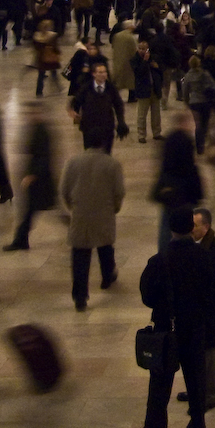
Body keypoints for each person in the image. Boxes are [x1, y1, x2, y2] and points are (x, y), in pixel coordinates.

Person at [123, 206, 213, 428]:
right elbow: (212, 293)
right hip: (195, 328)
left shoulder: (159, 260)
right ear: (190, 229)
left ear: (171, 229)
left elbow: (147, 296)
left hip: (167, 330)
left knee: (160, 387)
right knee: (196, 383)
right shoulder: (204, 257)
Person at [60, 131, 126, 311]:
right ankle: (107, 277)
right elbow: (119, 191)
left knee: (80, 255)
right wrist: (115, 207)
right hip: (104, 212)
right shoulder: (112, 164)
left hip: (80, 214)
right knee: (105, 245)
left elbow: (64, 189)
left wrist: (73, 207)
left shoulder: (72, 162)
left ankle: (80, 297)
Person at [174, 208, 215, 410]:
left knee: (207, 357)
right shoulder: (193, 247)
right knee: (194, 357)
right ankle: (196, 389)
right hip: (194, 315)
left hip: (208, 316)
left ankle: (209, 395)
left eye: (195, 226)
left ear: (206, 227)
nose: (191, 229)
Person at [3, 101, 56, 251]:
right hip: (39, 178)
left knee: (31, 211)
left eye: (33, 113)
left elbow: (44, 157)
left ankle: (20, 241)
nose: (30, 116)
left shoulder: (42, 131)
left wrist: (33, 175)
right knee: (33, 211)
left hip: (40, 179)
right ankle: (21, 240)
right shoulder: (36, 128)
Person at [151, 112, 204, 252]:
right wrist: (197, 191)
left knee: (166, 224)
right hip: (182, 191)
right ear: (184, 123)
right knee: (184, 227)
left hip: (168, 189)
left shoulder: (169, 139)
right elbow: (189, 168)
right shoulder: (185, 140)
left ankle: (163, 253)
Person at [69, 63, 129, 154]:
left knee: (106, 154)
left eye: (104, 72)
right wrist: (73, 111)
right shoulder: (87, 87)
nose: (103, 74)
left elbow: (118, 105)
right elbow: (76, 101)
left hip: (106, 127)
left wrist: (121, 121)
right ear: (94, 74)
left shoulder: (110, 88)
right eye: (100, 72)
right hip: (89, 128)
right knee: (90, 154)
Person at [181, 55, 215, 155]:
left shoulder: (188, 76)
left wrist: (187, 102)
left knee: (198, 124)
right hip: (205, 101)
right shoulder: (204, 73)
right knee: (205, 123)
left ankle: (199, 146)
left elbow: (185, 91)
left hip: (194, 102)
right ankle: (203, 141)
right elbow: (214, 85)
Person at [130, 39, 164, 143]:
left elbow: (160, 71)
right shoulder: (134, 60)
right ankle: (141, 135)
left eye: (143, 49)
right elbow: (139, 72)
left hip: (154, 89)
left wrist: (157, 67)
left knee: (156, 114)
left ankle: (157, 133)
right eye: (140, 48)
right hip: (143, 90)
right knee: (142, 115)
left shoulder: (154, 58)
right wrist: (145, 61)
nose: (141, 50)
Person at [110, 20, 138, 102]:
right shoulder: (131, 37)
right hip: (129, 62)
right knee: (131, 81)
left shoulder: (117, 36)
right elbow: (134, 50)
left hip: (118, 60)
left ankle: (114, 96)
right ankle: (131, 97)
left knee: (118, 80)